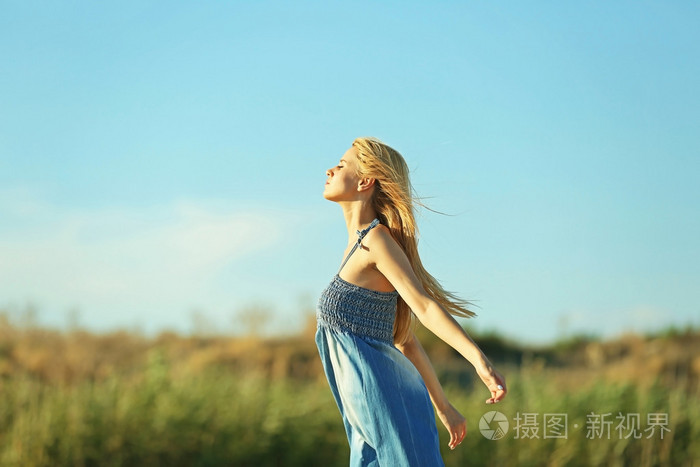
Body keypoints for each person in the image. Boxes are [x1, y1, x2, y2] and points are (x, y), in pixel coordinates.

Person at [315, 137, 507, 466]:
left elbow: (424, 306)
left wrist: (478, 360)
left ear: (365, 181)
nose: (330, 169)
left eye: (342, 164)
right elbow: (404, 339)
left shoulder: (376, 240)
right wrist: (443, 406)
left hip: (386, 405)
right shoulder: (355, 248)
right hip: (363, 417)